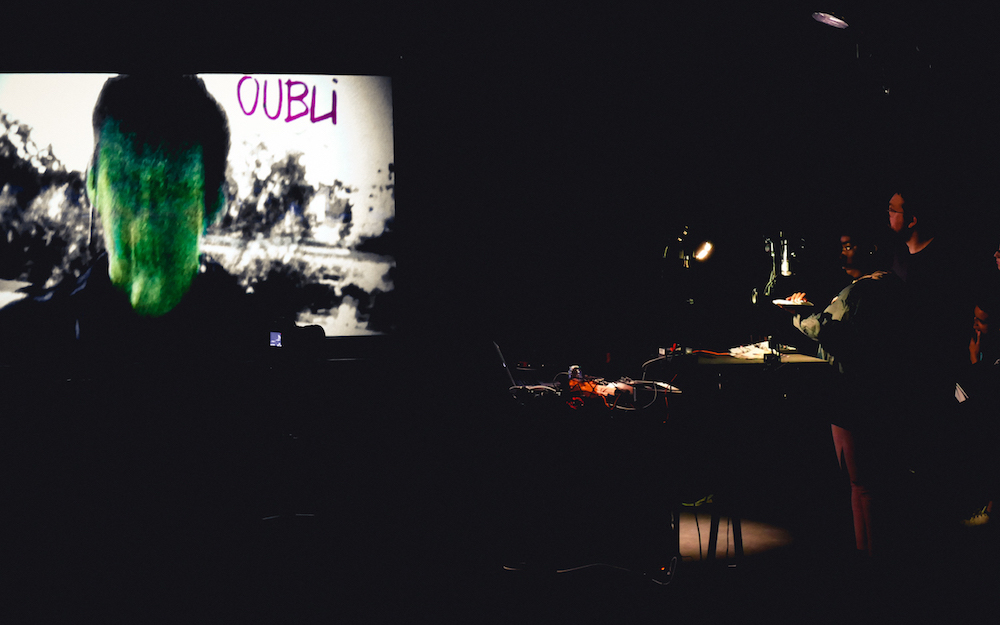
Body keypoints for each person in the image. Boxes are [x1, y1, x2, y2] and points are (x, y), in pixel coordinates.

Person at [779, 227, 907, 559]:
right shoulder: (892, 287)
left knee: (862, 484)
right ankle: (873, 558)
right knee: (869, 484)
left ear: (871, 249)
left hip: (852, 394)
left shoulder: (861, 292)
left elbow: (832, 332)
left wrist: (798, 314)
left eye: (848, 246)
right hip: (880, 394)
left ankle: (872, 560)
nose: (842, 253)